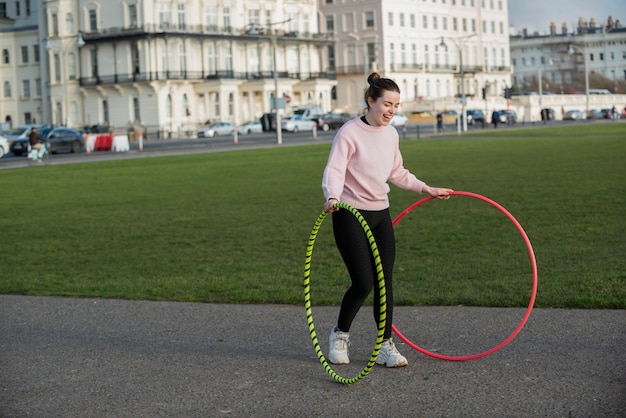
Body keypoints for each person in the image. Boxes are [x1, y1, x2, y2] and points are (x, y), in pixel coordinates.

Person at [321, 73, 453, 368]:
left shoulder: (391, 134)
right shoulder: (349, 132)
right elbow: (334, 170)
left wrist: (427, 188)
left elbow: (397, 172)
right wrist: (332, 196)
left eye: (396, 105)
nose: (392, 111)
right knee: (364, 281)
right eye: (387, 104)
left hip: (380, 213)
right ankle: (340, 334)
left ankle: (385, 345)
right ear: (370, 101)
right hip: (348, 214)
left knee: (384, 282)